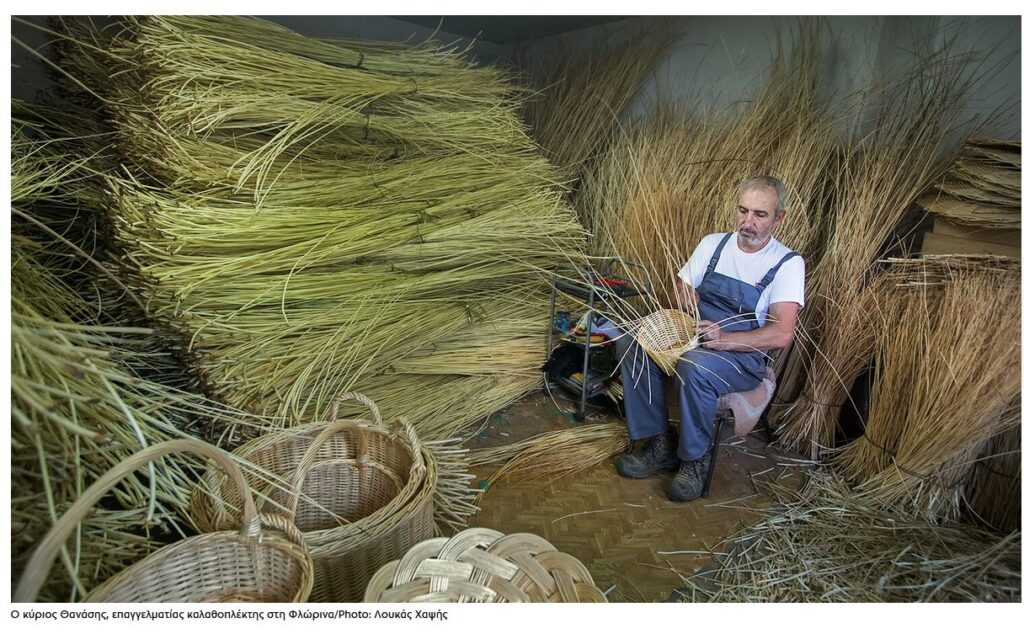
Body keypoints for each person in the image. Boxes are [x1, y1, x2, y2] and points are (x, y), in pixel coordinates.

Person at [614, 175, 805, 502]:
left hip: (742, 356)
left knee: (694, 365)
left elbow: (782, 332)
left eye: (760, 215)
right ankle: (659, 442)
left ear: (779, 218)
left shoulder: (787, 264)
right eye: (742, 211)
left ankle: (694, 460)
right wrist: (686, 298)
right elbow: (682, 286)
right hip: (695, 336)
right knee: (630, 342)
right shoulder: (713, 244)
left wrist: (725, 339)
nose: (748, 222)